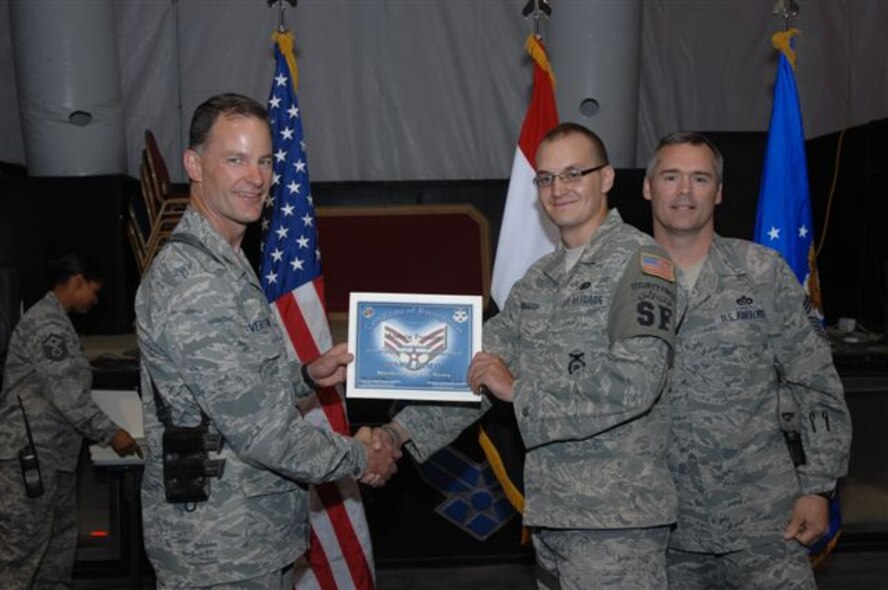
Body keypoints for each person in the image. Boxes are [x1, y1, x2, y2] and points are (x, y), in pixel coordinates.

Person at [376, 122, 679, 589]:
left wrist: (517, 389)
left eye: (574, 173)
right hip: (553, 516)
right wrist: (397, 432)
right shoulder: (537, 280)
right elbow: (477, 369)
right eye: (546, 178)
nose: (558, 189)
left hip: (617, 522)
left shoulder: (641, 263)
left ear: (607, 178)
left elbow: (635, 383)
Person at [135, 93, 399, 588]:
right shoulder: (194, 281)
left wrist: (304, 376)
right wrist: (362, 456)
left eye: (264, 161)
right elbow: (263, 434)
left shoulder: (226, 262)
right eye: (234, 159)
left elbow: (233, 391)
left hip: (250, 538)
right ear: (193, 164)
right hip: (219, 549)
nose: (255, 177)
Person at [642, 131, 852, 589]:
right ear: (648, 186)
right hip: (661, 528)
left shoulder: (762, 271)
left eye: (700, 179)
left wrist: (818, 487)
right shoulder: (624, 278)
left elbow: (814, 381)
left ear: (717, 193)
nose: (684, 191)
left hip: (765, 522)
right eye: (671, 176)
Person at [0, 255, 141, 589]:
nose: (94, 300)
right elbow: (67, 395)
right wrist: (113, 434)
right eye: (93, 291)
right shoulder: (48, 326)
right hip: (30, 460)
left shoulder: (58, 323)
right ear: (76, 280)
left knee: (55, 557)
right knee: (19, 558)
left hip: (54, 459)